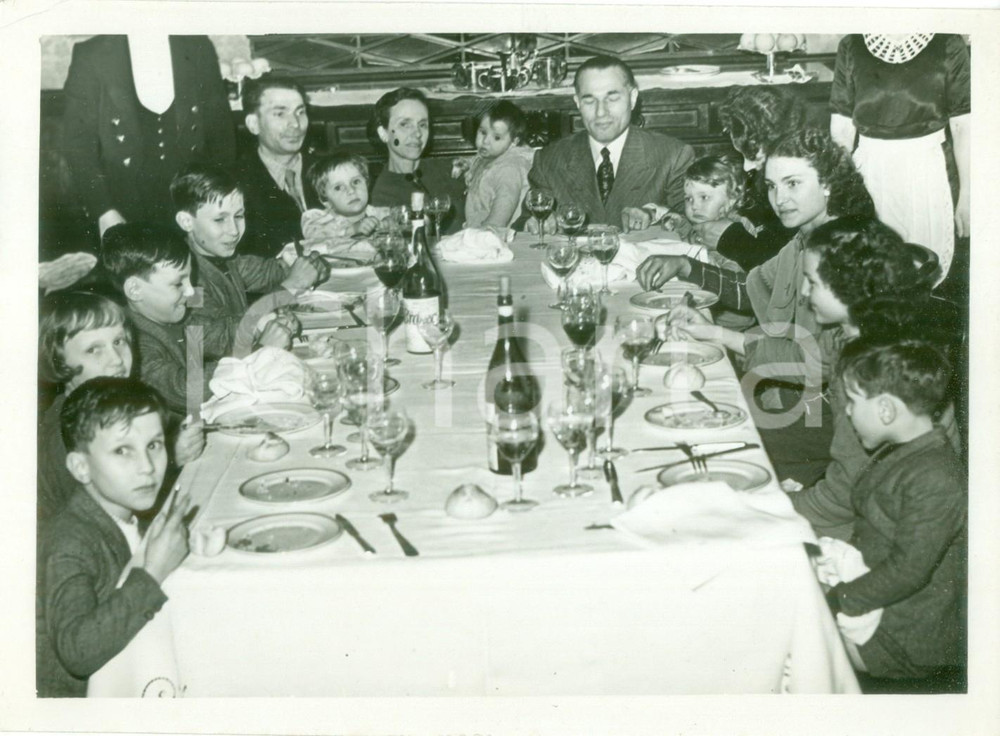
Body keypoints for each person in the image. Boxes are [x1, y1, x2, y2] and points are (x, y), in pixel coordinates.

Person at [642, 129, 875, 484]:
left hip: (833, 416)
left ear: (828, 182)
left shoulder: (844, 249)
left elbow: (812, 361)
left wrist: (721, 335)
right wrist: (688, 268)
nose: (779, 198)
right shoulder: (805, 236)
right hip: (795, 391)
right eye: (771, 186)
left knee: (697, 431)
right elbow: (755, 292)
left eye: (793, 184)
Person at [37, 377, 193, 697]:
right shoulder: (69, 541)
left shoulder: (121, 508)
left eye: (154, 445)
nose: (147, 467)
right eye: (123, 451)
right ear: (81, 467)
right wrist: (153, 573)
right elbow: (76, 652)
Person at [822, 340, 966, 681]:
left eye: (853, 402)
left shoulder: (935, 477)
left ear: (886, 410)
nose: (846, 412)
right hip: (880, 597)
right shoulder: (908, 453)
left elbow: (908, 571)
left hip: (905, 638)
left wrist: (837, 599)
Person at [37, 292, 205, 524]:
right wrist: (172, 458)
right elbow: (104, 521)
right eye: (94, 349)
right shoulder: (63, 434)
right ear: (59, 361)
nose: (116, 359)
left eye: (118, 342)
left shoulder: (108, 403)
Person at [61, 34, 236, 238]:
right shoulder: (92, 53)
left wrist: (215, 206)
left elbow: (222, 134)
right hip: (122, 208)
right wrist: (103, 210)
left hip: (192, 204)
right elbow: (78, 144)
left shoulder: (197, 46)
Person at [830, 33, 971, 282]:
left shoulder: (948, 42)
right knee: (870, 273)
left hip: (929, 173)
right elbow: (841, 130)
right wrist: (838, 192)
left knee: (925, 272)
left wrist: (968, 195)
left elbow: (964, 126)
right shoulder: (852, 44)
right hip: (869, 174)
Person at [525, 55, 694, 234]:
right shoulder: (549, 159)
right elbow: (526, 224)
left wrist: (653, 215)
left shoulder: (673, 155)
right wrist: (537, 223)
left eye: (612, 98)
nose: (601, 112)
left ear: (633, 98)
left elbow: (691, 225)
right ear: (577, 103)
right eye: (589, 100)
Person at [171, 165, 326, 360]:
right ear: (186, 222)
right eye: (220, 220)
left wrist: (305, 266)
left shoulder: (226, 259)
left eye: (239, 216)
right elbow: (211, 337)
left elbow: (268, 271)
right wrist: (289, 287)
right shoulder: (187, 279)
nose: (234, 230)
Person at [703, 85, 807, 268]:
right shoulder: (775, 174)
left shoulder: (807, 188)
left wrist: (730, 239)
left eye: (755, 157)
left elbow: (785, 269)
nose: (746, 166)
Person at [235, 75, 322, 259]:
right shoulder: (236, 184)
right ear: (253, 124)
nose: (295, 124)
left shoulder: (328, 169)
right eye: (280, 114)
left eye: (300, 112)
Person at [368, 87, 465, 232]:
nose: (417, 133)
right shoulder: (382, 196)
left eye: (422, 124)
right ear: (383, 133)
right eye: (405, 124)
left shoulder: (449, 168)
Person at [453, 100, 535, 229]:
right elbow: (480, 162)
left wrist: (487, 231)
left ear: (514, 141)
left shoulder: (509, 169)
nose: (485, 141)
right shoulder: (493, 155)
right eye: (483, 132)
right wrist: (467, 164)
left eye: (496, 137)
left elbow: (503, 209)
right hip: (480, 229)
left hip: (498, 235)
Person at [301, 153, 390, 241]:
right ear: (325, 199)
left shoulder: (379, 214)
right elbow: (313, 234)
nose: (351, 190)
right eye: (338, 187)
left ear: (366, 183)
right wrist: (353, 229)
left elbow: (399, 217)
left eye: (356, 182)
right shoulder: (319, 220)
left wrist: (389, 223)